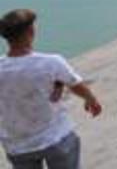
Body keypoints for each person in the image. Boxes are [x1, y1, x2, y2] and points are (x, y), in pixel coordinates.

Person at [0, 9, 103, 169]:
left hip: (17, 144)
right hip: (56, 137)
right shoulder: (51, 63)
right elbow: (76, 85)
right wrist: (91, 100)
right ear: (31, 31)